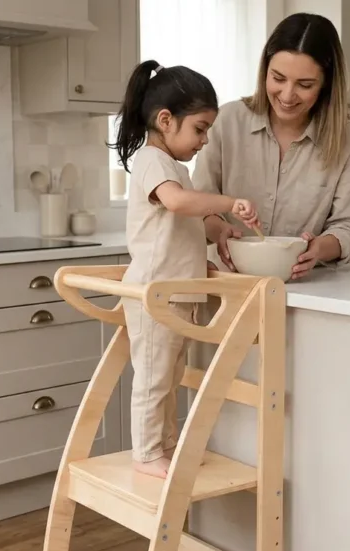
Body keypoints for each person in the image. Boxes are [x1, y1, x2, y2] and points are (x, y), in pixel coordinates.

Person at [109, 59, 260, 478]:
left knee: (170, 376)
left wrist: (221, 229)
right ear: (165, 120)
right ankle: (145, 452)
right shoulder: (153, 161)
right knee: (155, 378)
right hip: (157, 294)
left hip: (175, 294)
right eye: (199, 128)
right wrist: (229, 202)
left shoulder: (175, 168)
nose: (204, 139)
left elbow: (191, 216)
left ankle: (165, 444)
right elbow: (177, 203)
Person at [192, 12, 350, 280]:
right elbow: (199, 205)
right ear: (265, 70)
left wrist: (320, 248)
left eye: (305, 84)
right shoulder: (226, 122)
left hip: (305, 292)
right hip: (225, 286)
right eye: (278, 78)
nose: (287, 95)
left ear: (327, 85)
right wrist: (220, 232)